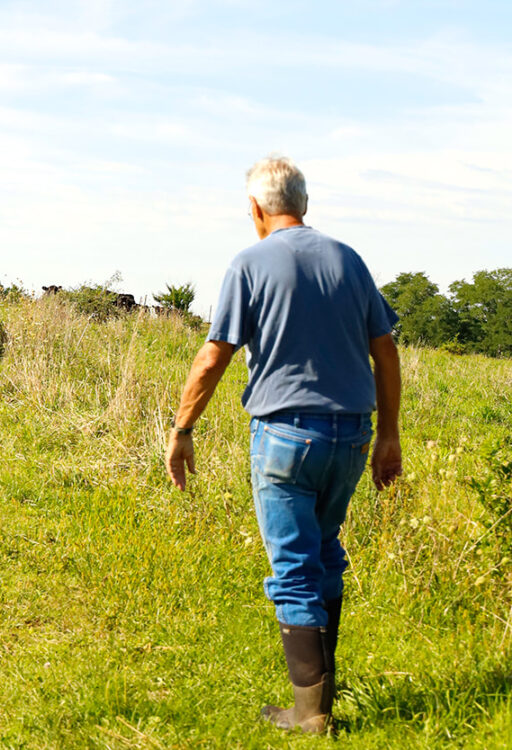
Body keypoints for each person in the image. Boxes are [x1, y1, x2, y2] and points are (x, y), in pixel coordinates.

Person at [165, 156, 402, 734]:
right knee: (325, 554)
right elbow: (386, 351)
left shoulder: (250, 262)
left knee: (294, 568)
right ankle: (321, 698)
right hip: (351, 434)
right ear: (304, 202)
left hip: (284, 436)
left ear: (255, 209)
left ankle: (310, 712)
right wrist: (390, 434)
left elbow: (214, 354)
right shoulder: (348, 259)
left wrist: (182, 429)